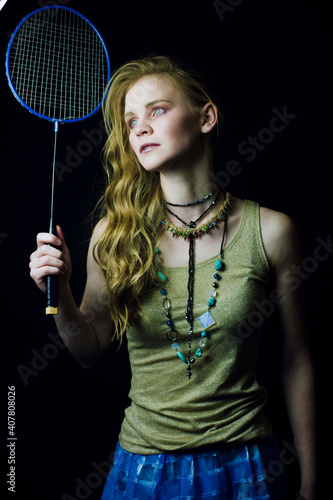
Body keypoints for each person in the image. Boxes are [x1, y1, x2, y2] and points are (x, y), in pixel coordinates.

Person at [29, 55, 316, 499]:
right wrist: (61, 289)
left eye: (157, 111)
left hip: (246, 470)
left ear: (206, 118)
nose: (139, 128)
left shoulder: (272, 231)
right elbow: (88, 348)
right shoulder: (115, 234)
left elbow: (297, 359)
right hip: (144, 471)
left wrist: (312, 482)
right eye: (130, 121)